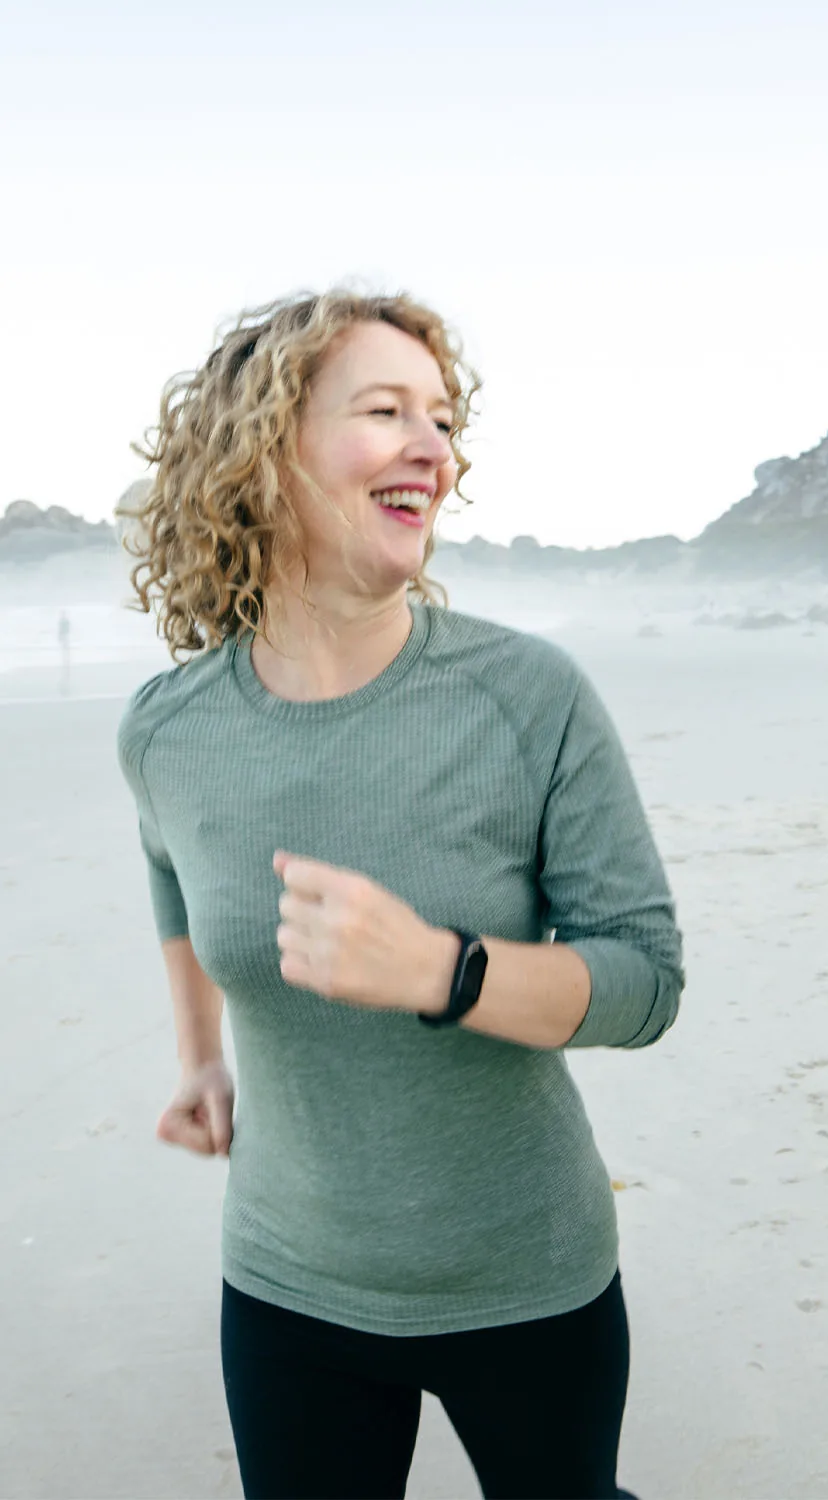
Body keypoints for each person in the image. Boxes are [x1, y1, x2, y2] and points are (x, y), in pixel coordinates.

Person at [116, 290, 683, 1500]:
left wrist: (442, 969)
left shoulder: (528, 696)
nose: (436, 448)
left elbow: (645, 981)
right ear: (263, 451)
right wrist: (201, 1058)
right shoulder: (168, 730)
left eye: (443, 420)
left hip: (525, 1274)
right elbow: (171, 880)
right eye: (386, 412)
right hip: (287, 1281)